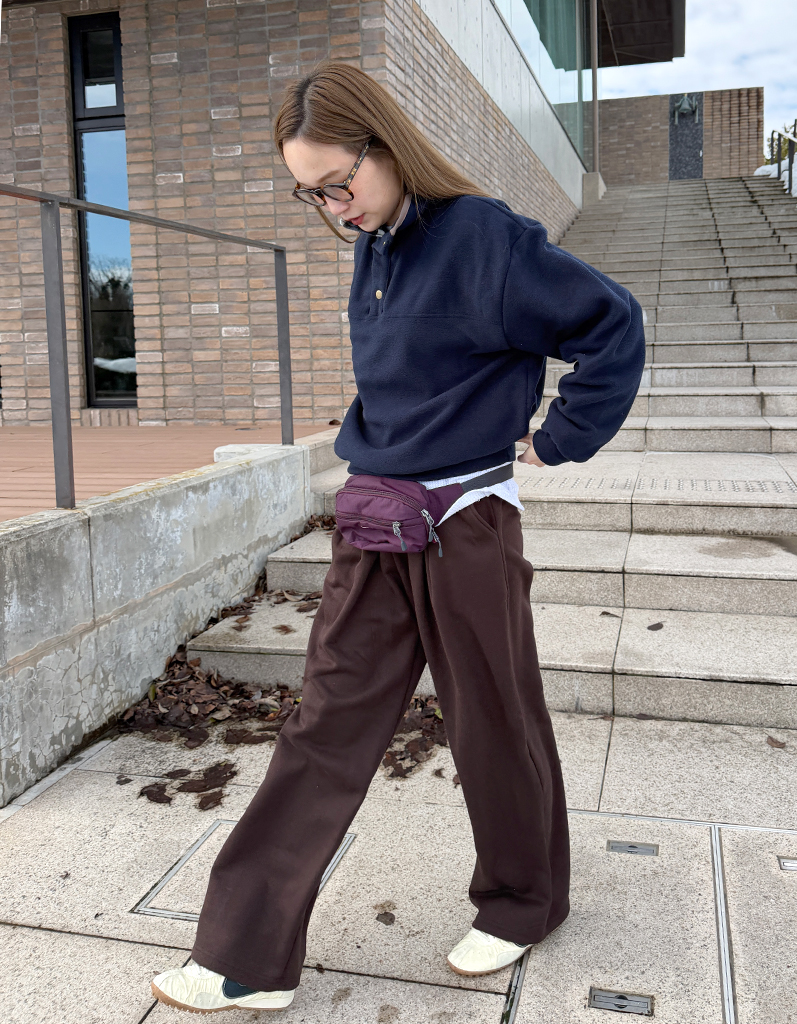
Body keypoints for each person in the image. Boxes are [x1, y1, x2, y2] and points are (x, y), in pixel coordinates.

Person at [151, 59, 644, 1014]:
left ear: (385, 146)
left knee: (494, 719)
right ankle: (245, 952)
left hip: (466, 525)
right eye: (312, 194)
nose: (334, 208)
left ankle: (524, 904)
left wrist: (560, 437)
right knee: (324, 724)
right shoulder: (373, 244)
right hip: (377, 521)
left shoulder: (486, 237)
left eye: (339, 183)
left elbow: (611, 323)